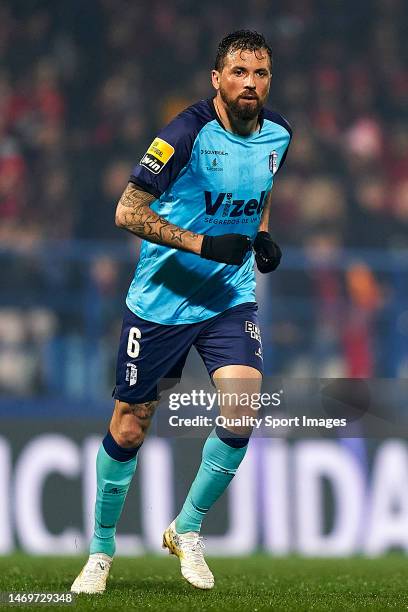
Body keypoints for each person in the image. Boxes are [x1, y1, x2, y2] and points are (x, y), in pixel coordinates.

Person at [71, 29, 292, 594]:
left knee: (243, 408)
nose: (251, 83)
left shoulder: (278, 136)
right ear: (217, 80)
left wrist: (261, 235)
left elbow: (260, 191)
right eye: (239, 72)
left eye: (260, 73)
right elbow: (127, 209)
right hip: (163, 301)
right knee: (131, 423)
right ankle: (99, 552)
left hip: (228, 296)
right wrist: (200, 244)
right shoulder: (184, 134)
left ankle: (186, 529)